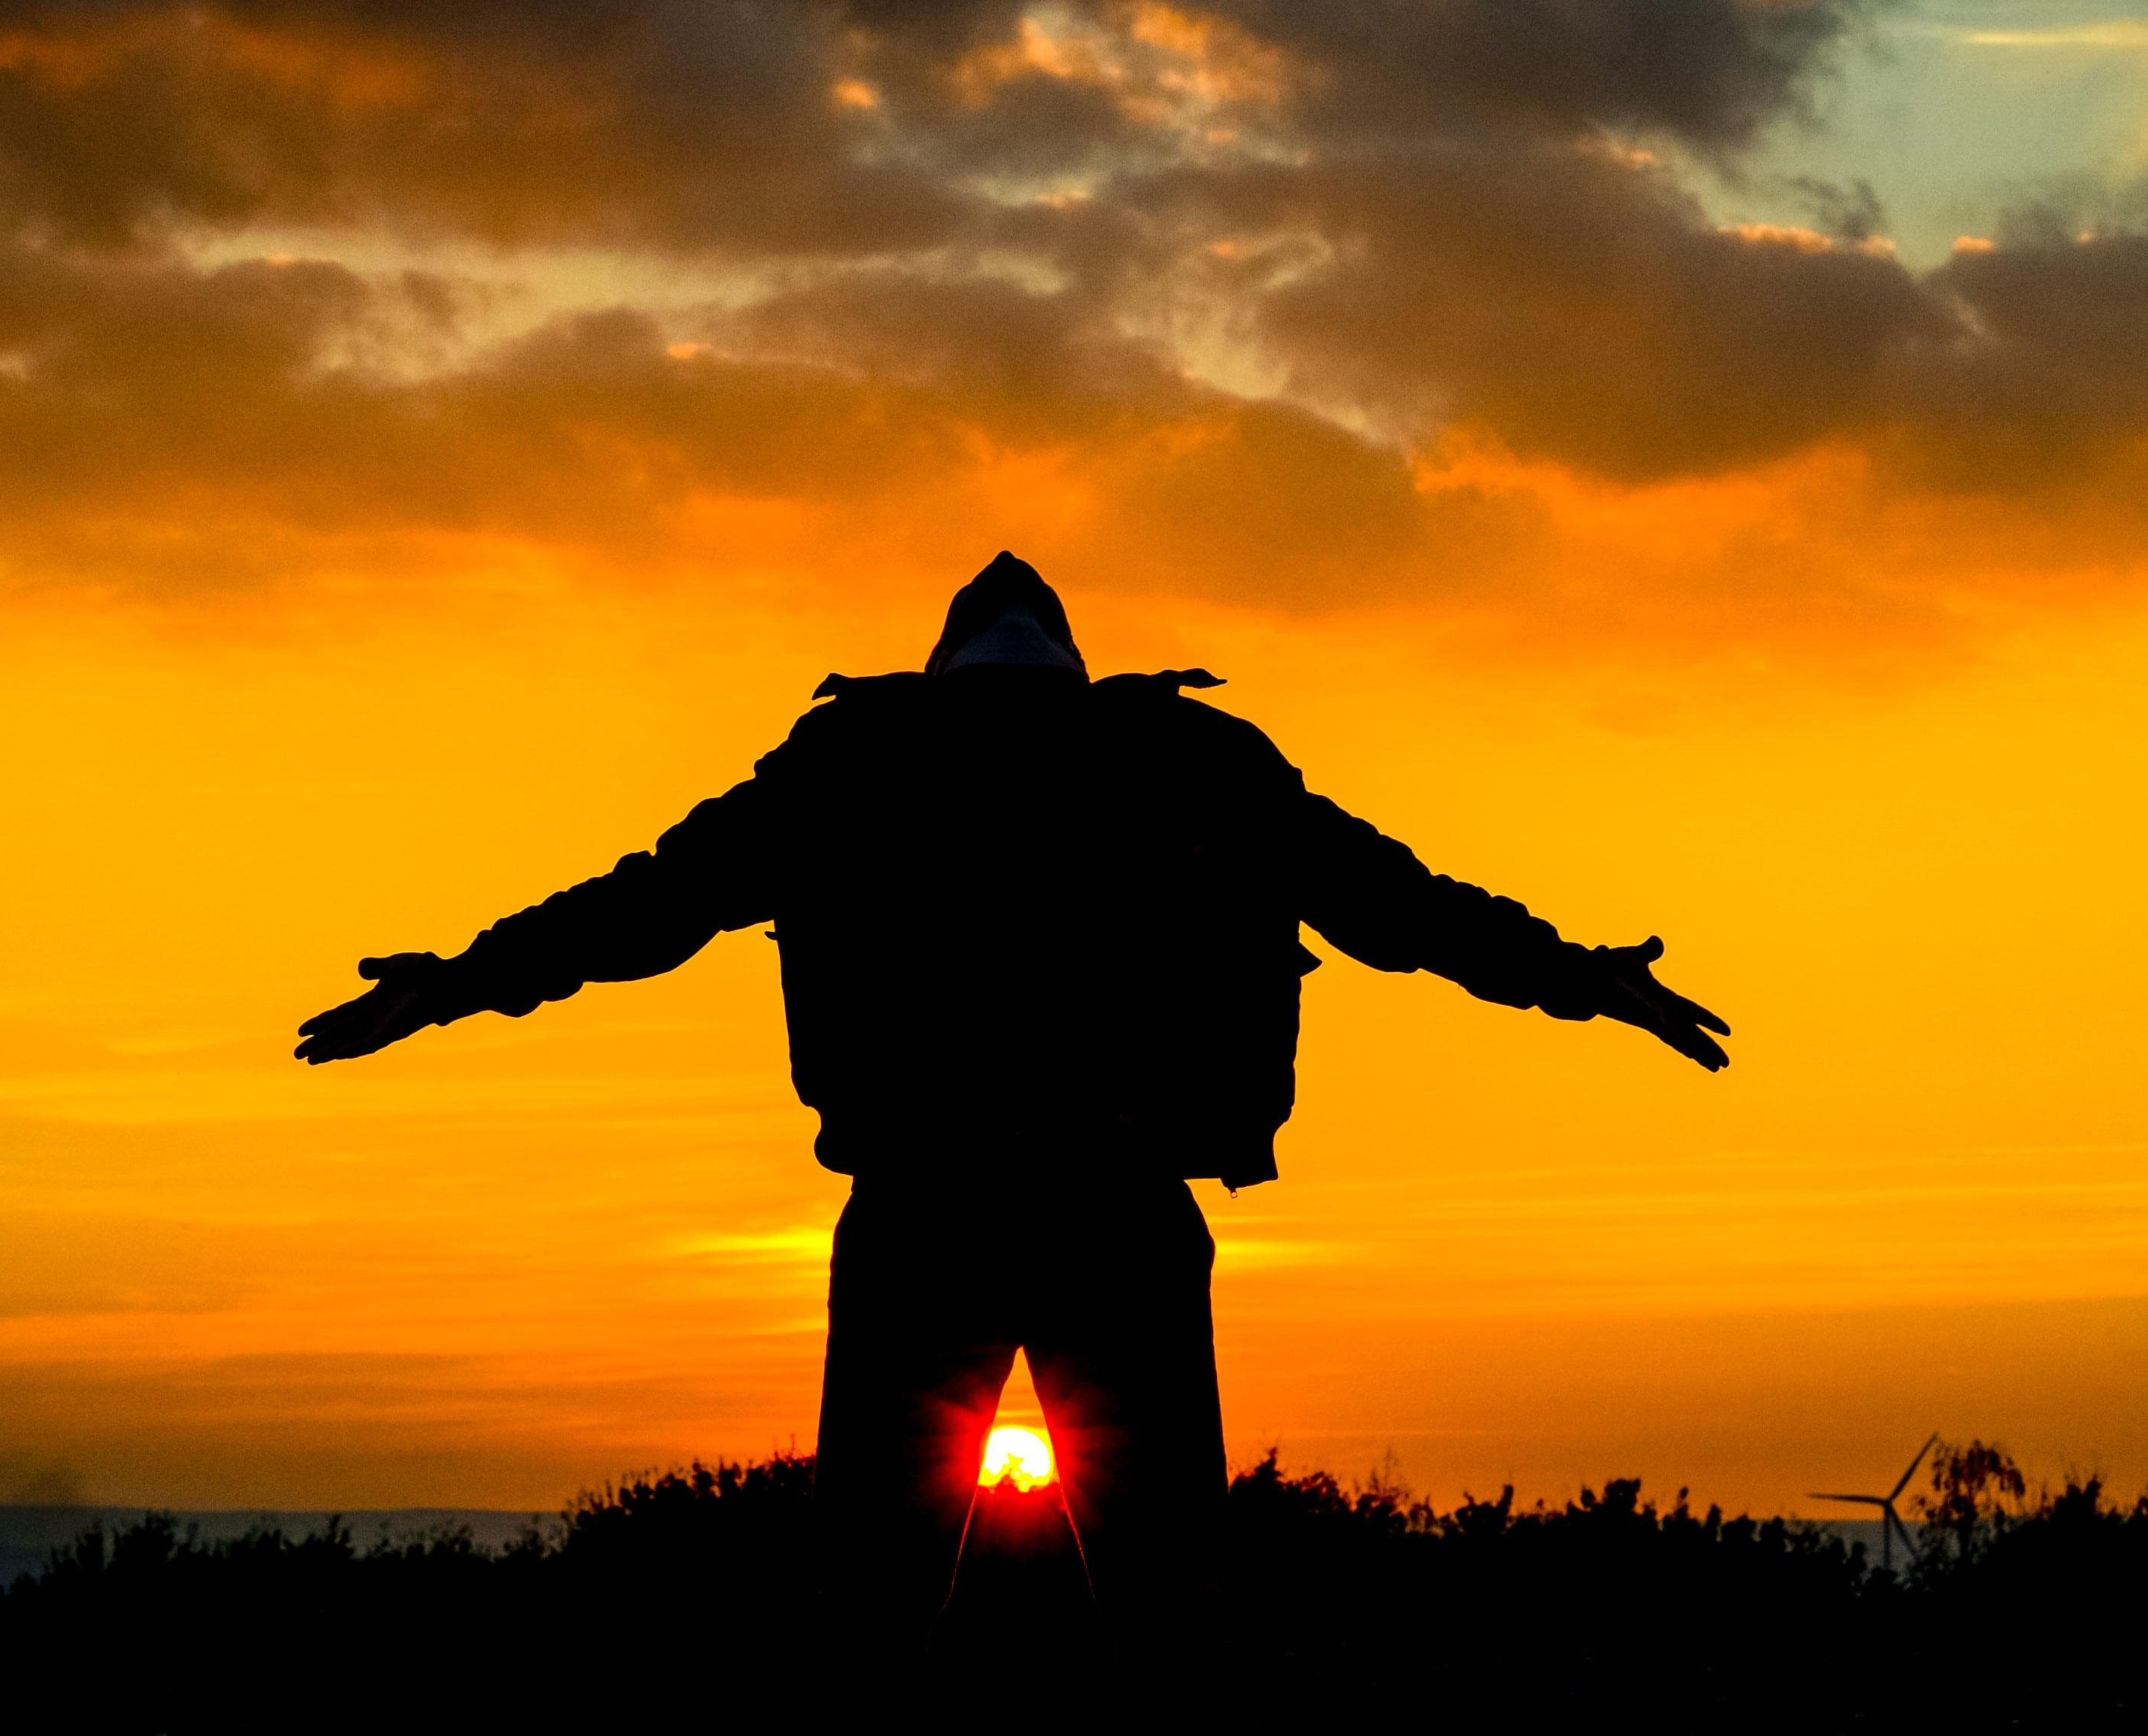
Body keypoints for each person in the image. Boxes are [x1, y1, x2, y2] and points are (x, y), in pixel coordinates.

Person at [295, 553, 1729, 1655]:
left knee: (875, 1592)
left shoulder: (849, 773)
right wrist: (1589, 981)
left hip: (923, 1214)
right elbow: (1405, 908)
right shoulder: (1194, 769)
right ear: (1077, 668)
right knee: (1172, 1594)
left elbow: (636, 912)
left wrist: (443, 986)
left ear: (939, 664)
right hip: (1122, 1209)